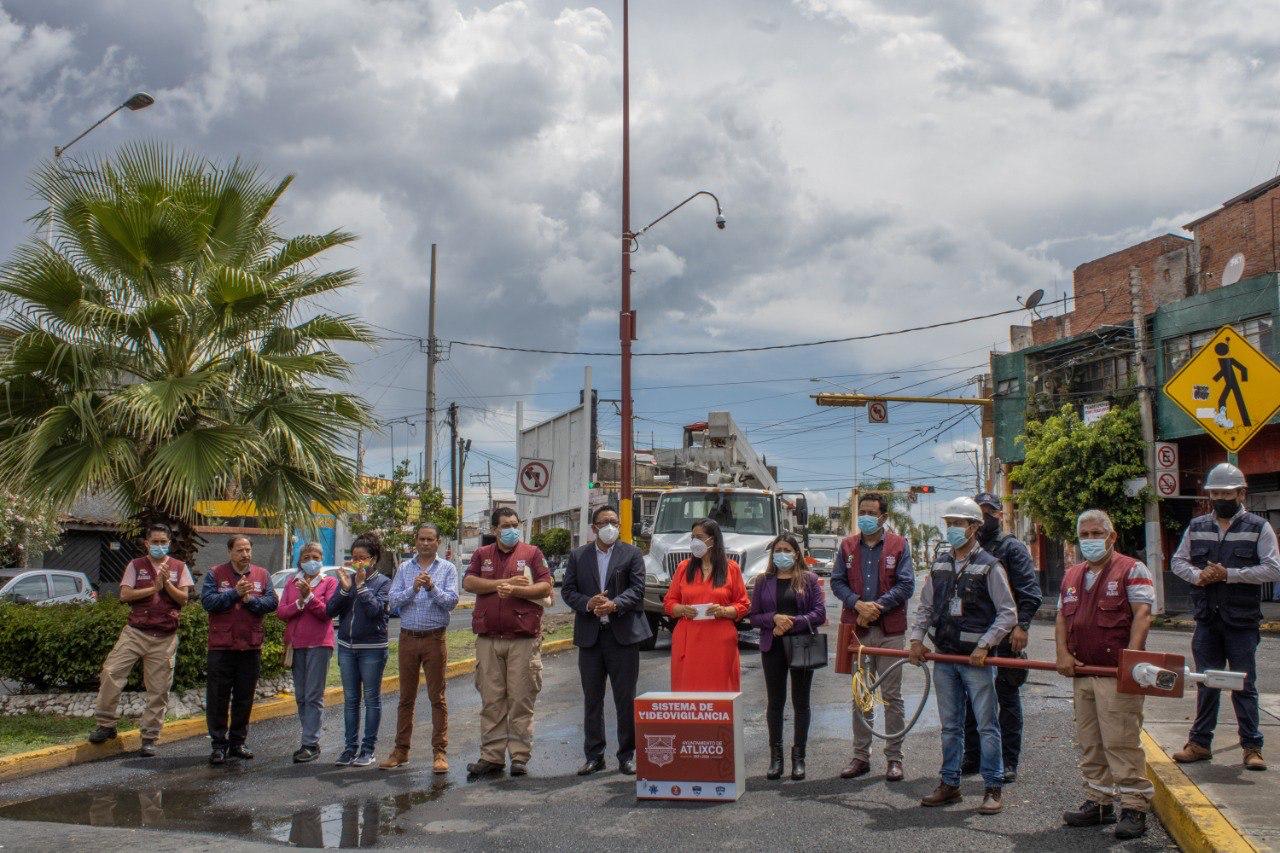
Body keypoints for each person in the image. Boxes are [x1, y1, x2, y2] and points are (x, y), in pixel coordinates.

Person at [910, 496, 1017, 815]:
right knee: (951, 725)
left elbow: (1008, 612)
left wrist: (986, 644)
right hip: (945, 658)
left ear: (974, 527)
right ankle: (950, 784)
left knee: (986, 725)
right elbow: (926, 606)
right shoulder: (940, 563)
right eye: (950, 523)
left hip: (975, 662)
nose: (953, 528)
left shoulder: (989, 565)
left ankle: (993, 786)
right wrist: (916, 638)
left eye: (959, 523)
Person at [1171, 462, 1280, 771]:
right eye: (1215, 492)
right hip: (1207, 619)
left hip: (1242, 621)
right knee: (1206, 681)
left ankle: (1252, 747)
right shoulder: (1197, 526)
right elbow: (1178, 561)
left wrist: (1229, 574)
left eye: (1226, 493)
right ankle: (1199, 743)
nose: (1220, 497)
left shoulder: (1259, 527)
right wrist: (1198, 575)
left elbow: (1273, 568)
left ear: (1241, 493)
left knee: (1244, 683)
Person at [1057, 509, 1156, 841]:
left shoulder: (1132, 570)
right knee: (1090, 741)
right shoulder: (1071, 575)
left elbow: (1143, 614)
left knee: (1121, 741)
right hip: (1083, 673)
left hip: (1115, 675)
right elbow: (1061, 619)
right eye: (1084, 535)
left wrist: (1131, 659)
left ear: (1112, 537)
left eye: (1096, 534)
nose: (1090, 540)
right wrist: (1063, 654)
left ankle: (1133, 807)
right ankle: (1099, 802)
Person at [87, 523, 195, 756]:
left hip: (165, 637)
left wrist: (166, 584)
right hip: (135, 632)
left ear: (169, 543)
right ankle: (106, 724)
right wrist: (153, 588)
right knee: (111, 672)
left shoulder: (179, 567)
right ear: (146, 543)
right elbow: (125, 594)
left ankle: (149, 737)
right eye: (154, 542)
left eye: (163, 542)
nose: (159, 546)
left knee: (159, 689)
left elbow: (184, 599)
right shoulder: (135, 565)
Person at [462, 507, 553, 778]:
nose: (512, 529)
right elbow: (468, 582)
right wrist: (500, 583)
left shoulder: (532, 553)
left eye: (515, 524)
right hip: (488, 639)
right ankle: (491, 756)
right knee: (492, 700)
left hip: (523, 638)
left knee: (520, 700)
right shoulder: (482, 555)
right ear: (494, 530)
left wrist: (516, 590)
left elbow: (546, 587)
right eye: (505, 525)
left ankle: (519, 757)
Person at [561, 505, 651, 776]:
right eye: (605, 522)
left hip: (622, 636)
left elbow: (638, 589)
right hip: (590, 637)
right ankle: (594, 754)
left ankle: (626, 755)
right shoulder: (578, 555)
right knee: (592, 698)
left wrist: (614, 604)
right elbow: (568, 591)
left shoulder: (632, 554)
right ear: (594, 527)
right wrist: (589, 603)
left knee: (625, 699)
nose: (610, 526)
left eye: (614, 521)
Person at [832, 493, 914, 782]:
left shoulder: (899, 545)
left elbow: (906, 585)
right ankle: (860, 756)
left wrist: (876, 607)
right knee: (861, 695)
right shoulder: (847, 546)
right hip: (858, 630)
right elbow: (837, 582)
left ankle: (894, 758)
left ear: (883, 517)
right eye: (861, 511)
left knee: (891, 696)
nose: (865, 517)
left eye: (871, 512)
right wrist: (857, 604)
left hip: (890, 631)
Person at [962, 492, 1042, 783]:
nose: (983, 518)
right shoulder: (967, 547)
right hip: (974, 635)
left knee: (1007, 699)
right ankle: (972, 757)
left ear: (998, 515)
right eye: (978, 513)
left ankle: (1009, 761)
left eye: (989, 512)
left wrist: (1022, 626)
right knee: (972, 699)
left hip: (1007, 636)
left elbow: (1030, 591)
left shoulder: (1012, 548)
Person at [748, 532, 826, 781]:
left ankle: (798, 758)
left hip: (802, 644)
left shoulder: (809, 579)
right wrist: (773, 619)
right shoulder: (763, 581)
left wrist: (792, 622)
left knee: (801, 702)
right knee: (775, 702)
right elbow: (754, 617)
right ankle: (776, 758)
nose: (782, 554)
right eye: (778, 550)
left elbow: (819, 614)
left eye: (787, 550)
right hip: (773, 646)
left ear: (796, 553)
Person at [380, 524, 459, 772]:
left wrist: (432, 588)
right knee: (406, 697)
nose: (425, 543)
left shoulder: (447, 569)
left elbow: (451, 602)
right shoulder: (405, 568)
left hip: (435, 639)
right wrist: (413, 588)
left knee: (437, 697)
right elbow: (392, 601)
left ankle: (440, 752)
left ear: (438, 542)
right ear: (416, 541)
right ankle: (401, 750)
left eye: (430, 539)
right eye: (421, 539)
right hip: (408, 639)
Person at [200, 535, 278, 765]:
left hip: (250, 646)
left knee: (244, 697)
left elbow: (272, 603)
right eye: (239, 550)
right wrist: (234, 593)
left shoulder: (262, 575)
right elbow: (207, 602)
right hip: (221, 647)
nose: (245, 554)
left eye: (247, 550)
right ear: (230, 553)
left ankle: (238, 742)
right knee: (218, 697)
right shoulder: (215, 574)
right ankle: (218, 745)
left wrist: (249, 600)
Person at [662, 518, 750, 692]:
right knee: (688, 691)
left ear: (713, 539)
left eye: (700, 537)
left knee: (720, 693)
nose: (695, 541)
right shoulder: (683, 567)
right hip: (688, 638)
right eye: (692, 537)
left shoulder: (731, 568)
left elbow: (743, 604)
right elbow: (669, 602)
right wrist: (681, 609)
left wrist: (724, 611)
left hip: (719, 641)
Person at [328, 535, 392, 767]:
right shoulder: (347, 579)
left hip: (372, 649)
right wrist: (346, 590)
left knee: (371, 699)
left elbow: (376, 611)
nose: (357, 562)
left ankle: (368, 749)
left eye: (362, 558)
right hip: (346, 647)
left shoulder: (383, 582)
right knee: (350, 700)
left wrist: (362, 587)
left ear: (373, 559)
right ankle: (349, 748)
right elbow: (330, 610)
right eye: (353, 558)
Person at [277, 541, 339, 763]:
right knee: (301, 696)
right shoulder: (292, 583)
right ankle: (308, 738)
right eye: (307, 557)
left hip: (319, 644)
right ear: (300, 561)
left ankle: (310, 742)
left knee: (313, 695)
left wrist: (311, 598)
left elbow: (327, 612)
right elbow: (282, 612)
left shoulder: (329, 582)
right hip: (297, 644)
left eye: (316, 556)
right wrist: (300, 602)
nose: (311, 561)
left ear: (321, 559)